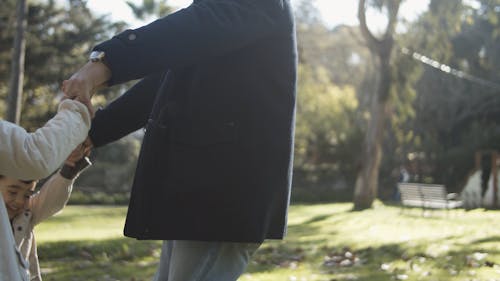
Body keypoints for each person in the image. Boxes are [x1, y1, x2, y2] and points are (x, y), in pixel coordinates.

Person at [63, 0, 297, 279]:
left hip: (222, 194)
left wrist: (106, 62)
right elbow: (166, 80)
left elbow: (194, 29)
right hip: (200, 192)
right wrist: (96, 131)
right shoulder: (217, 22)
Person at [0, 99, 91, 281]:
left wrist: (68, 171)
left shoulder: (26, 214)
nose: (19, 200)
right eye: (12, 191)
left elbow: (51, 200)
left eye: (27, 194)